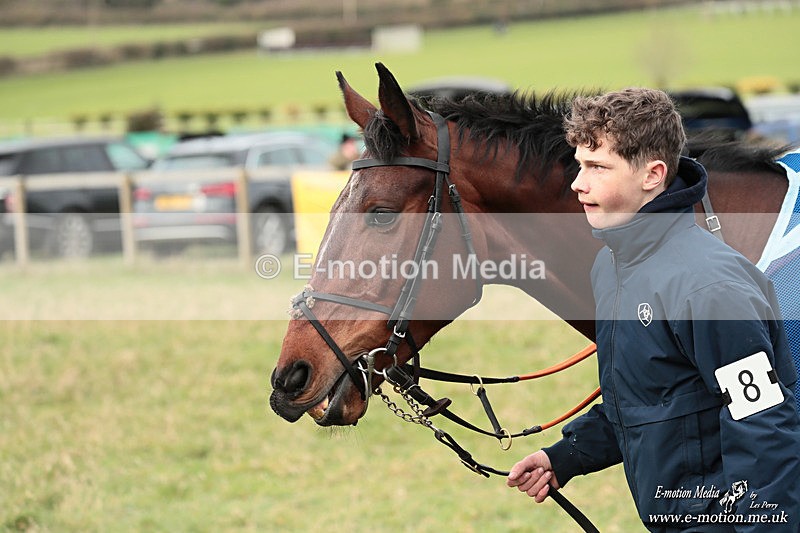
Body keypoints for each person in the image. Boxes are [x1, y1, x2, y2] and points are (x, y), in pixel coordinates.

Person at [507, 88, 800, 531]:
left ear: (653, 174)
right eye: (580, 165)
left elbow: (763, 426)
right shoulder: (611, 265)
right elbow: (646, 398)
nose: (577, 183)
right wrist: (564, 457)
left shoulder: (709, 287)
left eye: (598, 167)